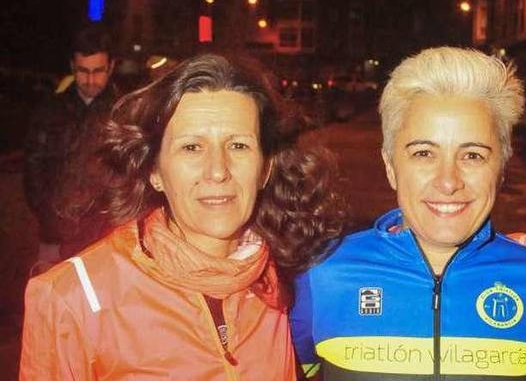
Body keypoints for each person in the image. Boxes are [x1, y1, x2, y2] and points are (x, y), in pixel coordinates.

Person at [19, 53, 346, 379]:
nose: (218, 171)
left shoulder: (276, 285)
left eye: (238, 146)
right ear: (154, 170)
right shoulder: (73, 298)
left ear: (265, 167)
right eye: (191, 147)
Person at [292, 47, 526, 380]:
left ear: (501, 169)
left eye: (472, 155)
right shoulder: (321, 274)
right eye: (424, 153)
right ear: (390, 166)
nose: (448, 181)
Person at [24, 26, 117, 267]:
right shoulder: (50, 111)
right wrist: (49, 218)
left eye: (98, 71)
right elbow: (34, 168)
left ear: (111, 67)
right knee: (52, 300)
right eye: (83, 71)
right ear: (72, 68)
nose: (90, 80)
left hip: (105, 237)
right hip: (55, 234)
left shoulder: (123, 114)